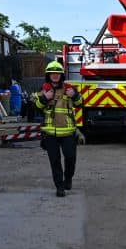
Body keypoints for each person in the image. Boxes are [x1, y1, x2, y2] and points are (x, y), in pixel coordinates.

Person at [33, 60, 84, 197]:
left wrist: (75, 95)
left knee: (70, 158)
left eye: (58, 73)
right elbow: (36, 108)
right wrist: (44, 98)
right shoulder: (43, 90)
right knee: (54, 161)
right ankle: (59, 187)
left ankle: (68, 179)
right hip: (50, 133)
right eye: (52, 73)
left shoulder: (69, 89)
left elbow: (80, 104)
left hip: (68, 132)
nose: (55, 76)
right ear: (48, 75)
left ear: (61, 75)